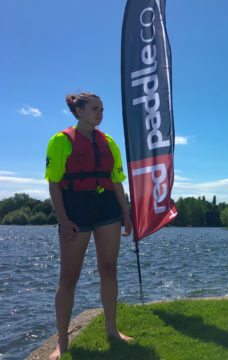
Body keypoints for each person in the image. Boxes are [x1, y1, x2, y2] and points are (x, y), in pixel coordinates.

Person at [45, 92, 133, 359]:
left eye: (102, 109)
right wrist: (64, 219)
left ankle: (111, 329)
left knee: (109, 268)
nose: (100, 113)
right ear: (79, 111)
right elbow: (53, 183)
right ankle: (62, 341)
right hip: (76, 210)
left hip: (107, 209)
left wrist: (125, 213)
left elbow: (117, 180)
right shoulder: (60, 141)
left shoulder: (109, 143)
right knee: (68, 278)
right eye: (95, 108)